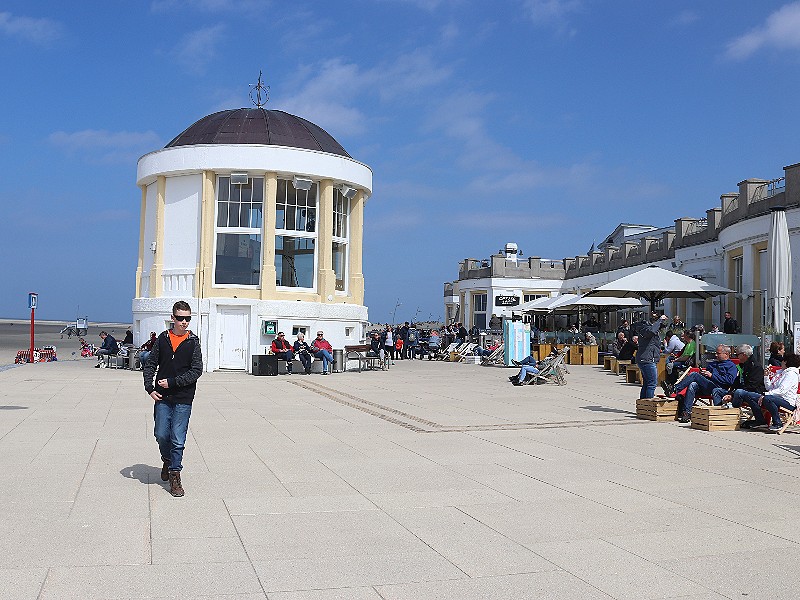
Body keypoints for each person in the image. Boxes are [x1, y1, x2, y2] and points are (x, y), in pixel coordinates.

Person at [143, 300, 203, 497]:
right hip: (162, 397)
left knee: (178, 438)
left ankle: (175, 475)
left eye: (187, 318)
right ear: (172, 318)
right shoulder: (162, 339)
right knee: (161, 434)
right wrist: (149, 387)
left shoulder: (193, 342)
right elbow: (150, 364)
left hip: (183, 398)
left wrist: (174, 382)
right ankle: (167, 460)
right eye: (180, 318)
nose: (184, 322)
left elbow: (196, 371)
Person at [733, 353, 800, 432]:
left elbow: (782, 391)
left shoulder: (791, 374)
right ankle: (760, 420)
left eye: (782, 361)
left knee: (767, 398)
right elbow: (769, 388)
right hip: (776, 398)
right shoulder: (781, 373)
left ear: (786, 362)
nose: (781, 362)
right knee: (748, 395)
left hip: (787, 401)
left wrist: (766, 394)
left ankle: (777, 423)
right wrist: (766, 377)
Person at [674, 344, 738, 423]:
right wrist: (703, 374)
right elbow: (707, 377)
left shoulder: (731, 366)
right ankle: (687, 413)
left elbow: (730, 381)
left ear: (726, 354)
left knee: (694, 375)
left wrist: (712, 375)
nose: (715, 355)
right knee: (692, 385)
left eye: (718, 353)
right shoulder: (714, 363)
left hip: (718, 388)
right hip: (707, 386)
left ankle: (675, 389)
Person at [714, 344, 764, 410]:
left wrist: (732, 394)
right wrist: (730, 393)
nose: (736, 357)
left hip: (752, 393)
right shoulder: (742, 365)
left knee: (739, 392)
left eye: (737, 355)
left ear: (743, 355)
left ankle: (733, 411)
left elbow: (751, 386)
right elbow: (737, 381)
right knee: (717, 391)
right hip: (740, 391)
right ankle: (718, 412)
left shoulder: (756, 367)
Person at [637, 313, 668, 399]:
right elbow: (652, 331)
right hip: (648, 359)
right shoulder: (646, 329)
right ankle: (649, 405)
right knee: (652, 383)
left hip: (646, 359)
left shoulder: (647, 331)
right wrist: (660, 320)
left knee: (647, 383)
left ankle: (643, 405)